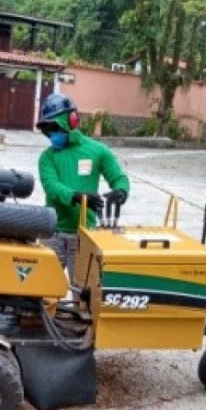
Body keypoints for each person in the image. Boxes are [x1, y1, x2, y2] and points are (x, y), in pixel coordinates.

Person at [36, 93, 130, 279]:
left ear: (71, 121)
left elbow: (119, 177)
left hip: (84, 235)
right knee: (41, 290)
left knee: (83, 293)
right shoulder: (47, 157)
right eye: (47, 131)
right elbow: (52, 188)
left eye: (54, 128)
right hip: (52, 233)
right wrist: (77, 196)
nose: (51, 135)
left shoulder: (97, 151)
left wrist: (121, 191)